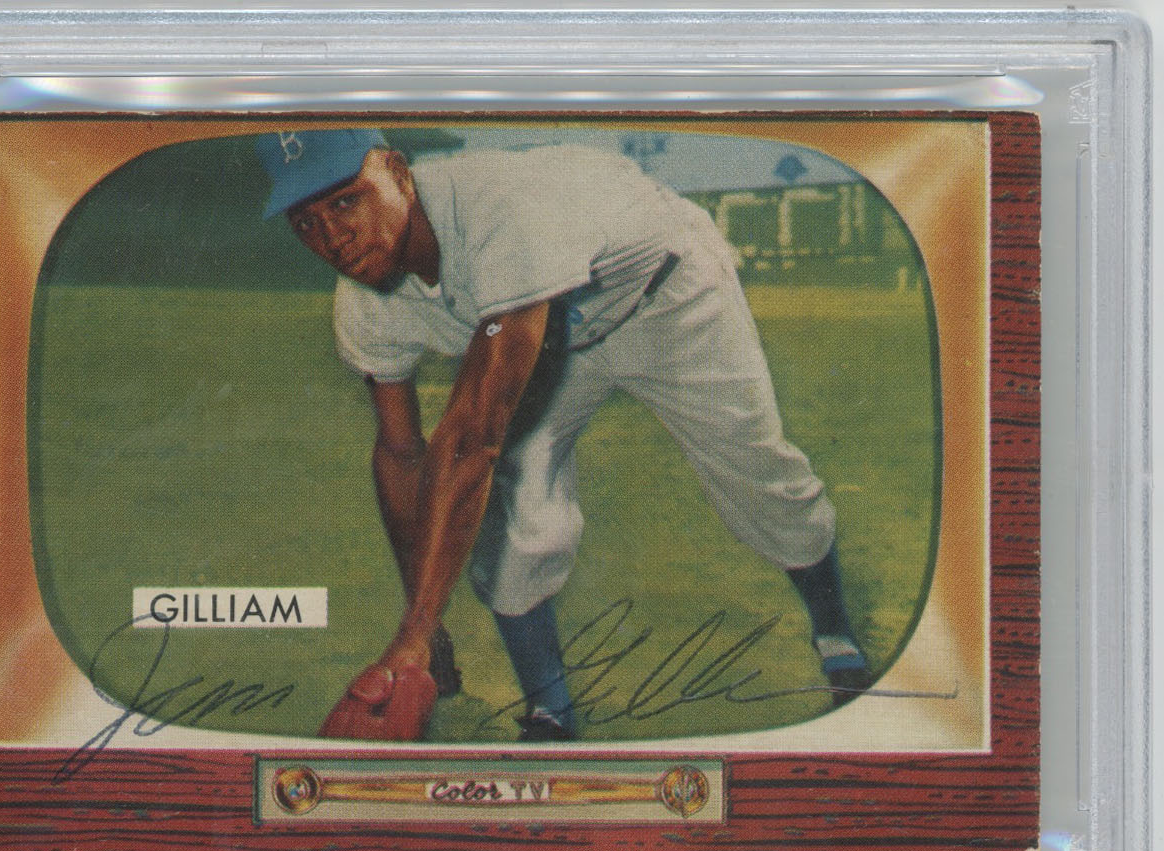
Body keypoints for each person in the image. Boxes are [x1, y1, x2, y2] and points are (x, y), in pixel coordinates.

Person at [256, 128, 874, 742]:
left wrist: (411, 636)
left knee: (758, 472)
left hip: (667, 298)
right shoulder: (365, 301)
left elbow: (472, 437)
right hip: (548, 340)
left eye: (346, 200)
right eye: (305, 222)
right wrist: (426, 625)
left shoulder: (496, 210)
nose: (332, 237)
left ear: (397, 171)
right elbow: (400, 453)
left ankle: (834, 632)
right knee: (513, 525)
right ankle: (550, 713)